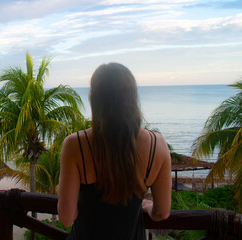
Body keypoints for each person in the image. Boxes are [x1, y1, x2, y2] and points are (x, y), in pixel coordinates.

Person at [57, 63, 172, 239]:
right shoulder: (158, 145)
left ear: (94, 98)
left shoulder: (75, 145)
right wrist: (148, 206)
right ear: (132, 98)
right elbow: (162, 213)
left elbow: (66, 218)